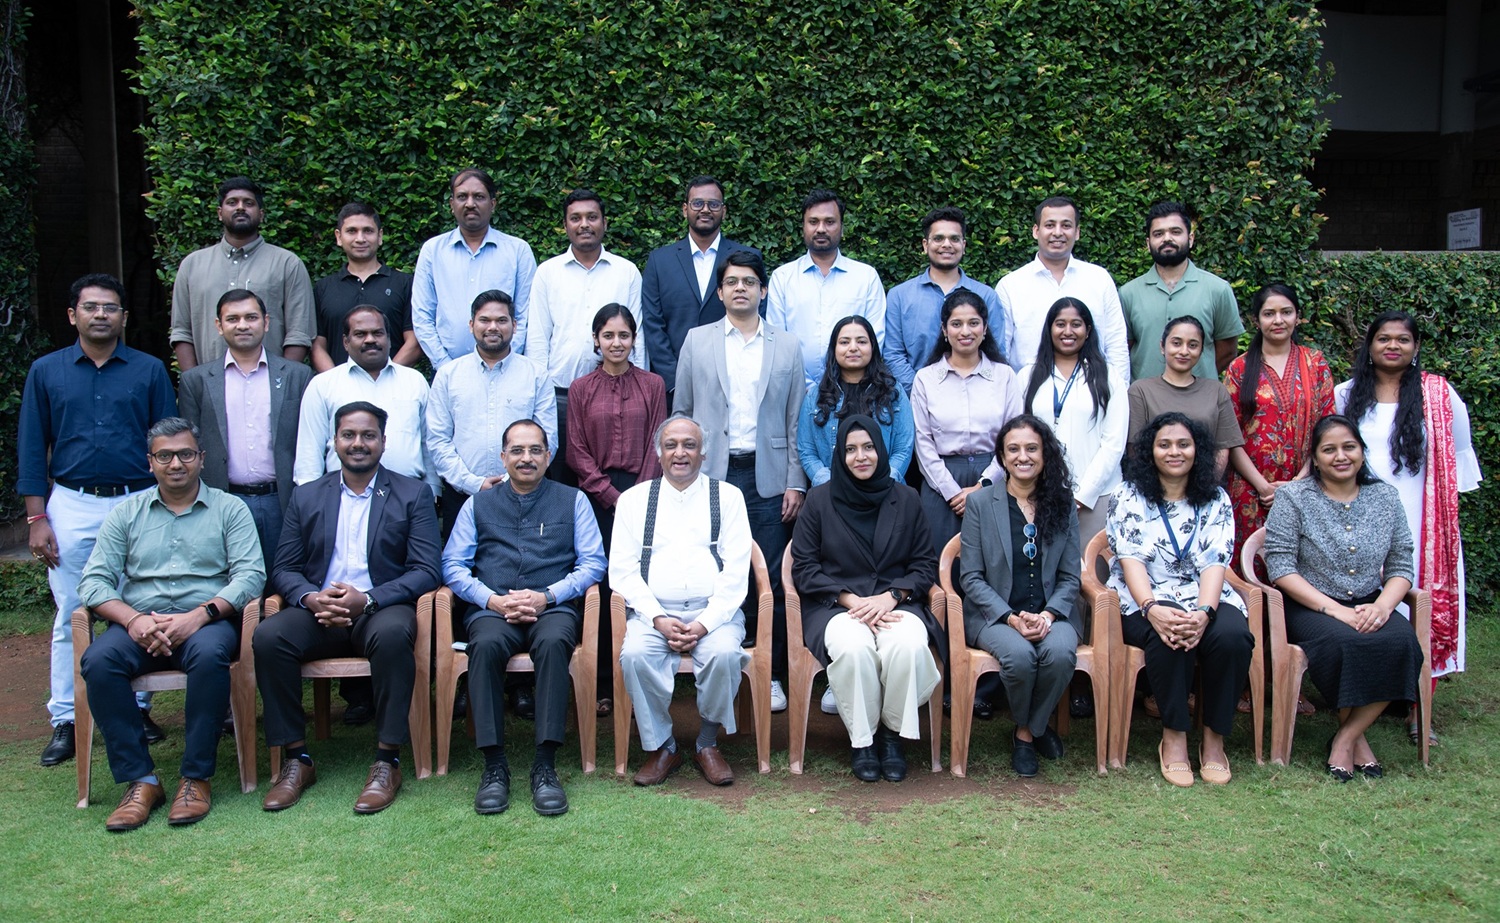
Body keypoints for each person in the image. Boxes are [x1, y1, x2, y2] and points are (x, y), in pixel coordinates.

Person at [19, 273, 177, 767]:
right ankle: (67, 718)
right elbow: (30, 445)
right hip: (72, 502)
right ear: (73, 315)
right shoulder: (47, 372)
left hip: (139, 500)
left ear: (124, 317)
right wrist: (36, 517)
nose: (101, 315)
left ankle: (136, 707)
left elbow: (169, 442)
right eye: (91, 307)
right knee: (73, 610)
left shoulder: (149, 371)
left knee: (141, 602)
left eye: (111, 308)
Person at [76, 418, 265, 830]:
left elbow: (251, 576)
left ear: (201, 459)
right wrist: (134, 620)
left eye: (185, 454)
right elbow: (93, 581)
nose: (175, 463)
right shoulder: (126, 513)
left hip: (207, 622)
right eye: (165, 455)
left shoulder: (230, 509)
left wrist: (198, 616)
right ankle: (140, 780)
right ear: (150, 463)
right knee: (99, 662)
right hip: (139, 624)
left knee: (211, 655)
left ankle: (195, 778)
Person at [257, 402, 441, 815]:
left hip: (380, 606)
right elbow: (283, 567)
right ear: (334, 441)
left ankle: (387, 759)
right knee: (269, 636)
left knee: (395, 634)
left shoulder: (412, 493)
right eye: (349, 435)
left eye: (368, 435)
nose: (358, 443)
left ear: (383, 442)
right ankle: (296, 759)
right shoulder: (307, 496)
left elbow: (427, 570)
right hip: (318, 611)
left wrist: (369, 599)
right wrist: (311, 598)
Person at [442, 419, 606, 815]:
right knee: (483, 645)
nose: (526, 458)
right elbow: (453, 566)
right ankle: (494, 765)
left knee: (552, 644)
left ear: (548, 456)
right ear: (502, 457)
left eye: (535, 450)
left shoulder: (573, 500)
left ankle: (545, 765)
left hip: (551, 607)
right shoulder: (476, 504)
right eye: (517, 450)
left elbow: (593, 564)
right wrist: (491, 600)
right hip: (493, 608)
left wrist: (546, 596)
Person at [675, 250, 807, 713]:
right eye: (731, 282)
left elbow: (796, 420)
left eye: (749, 282)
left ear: (763, 290)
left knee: (766, 574)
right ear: (720, 291)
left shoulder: (788, 346)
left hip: (768, 477)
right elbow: (683, 413)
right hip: (712, 474)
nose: (740, 289)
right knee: (717, 572)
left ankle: (767, 673)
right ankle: (719, 667)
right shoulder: (697, 341)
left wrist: (796, 481)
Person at [1262, 415, 1422, 781]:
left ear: (1362, 453)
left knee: (1402, 643)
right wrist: (1336, 611)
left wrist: (1383, 606)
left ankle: (1348, 735)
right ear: (1315, 459)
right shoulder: (1293, 497)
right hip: (1310, 605)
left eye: (1349, 447)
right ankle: (1355, 740)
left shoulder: (1385, 497)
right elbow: (1281, 566)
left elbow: (1401, 563)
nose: (1340, 456)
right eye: (1328, 449)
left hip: (1370, 601)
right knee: (1343, 642)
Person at [1335, 311, 1481, 692]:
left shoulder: (1440, 394)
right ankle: (1372, 685)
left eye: (1402, 339)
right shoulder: (1345, 394)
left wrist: (1442, 518)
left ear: (1415, 348)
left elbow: (1459, 455)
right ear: (1369, 346)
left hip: (1422, 516)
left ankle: (1419, 699)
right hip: (1360, 512)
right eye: (1384, 338)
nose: (1393, 346)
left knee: (1418, 593)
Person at [1106, 412, 1254, 787]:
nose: (1175, 452)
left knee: (1233, 636)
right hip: (1142, 596)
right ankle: (1173, 737)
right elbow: (1131, 560)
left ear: (1197, 450)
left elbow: (1214, 562)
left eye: (1183, 444)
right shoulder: (1128, 495)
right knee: (1169, 632)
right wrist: (1152, 609)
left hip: (1203, 594)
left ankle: (1214, 739)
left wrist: (1205, 612)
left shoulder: (1216, 499)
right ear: (1150, 452)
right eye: (1164, 444)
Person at [790, 416, 941, 782]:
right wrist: (849, 599)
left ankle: (890, 734)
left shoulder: (906, 498)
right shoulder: (819, 500)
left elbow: (925, 564)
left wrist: (892, 596)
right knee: (854, 648)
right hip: (836, 608)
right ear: (839, 455)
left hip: (896, 605)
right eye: (851, 449)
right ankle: (863, 741)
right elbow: (804, 568)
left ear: (881, 450)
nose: (861, 457)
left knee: (908, 645)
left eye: (869, 447)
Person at [613, 415, 754, 787]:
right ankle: (664, 746)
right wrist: (659, 618)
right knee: (636, 655)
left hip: (715, 613)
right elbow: (623, 572)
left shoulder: (728, 497)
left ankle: (707, 743)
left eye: (689, 445)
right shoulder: (632, 501)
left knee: (724, 654)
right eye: (671, 445)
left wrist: (705, 623)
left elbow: (737, 571)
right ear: (658, 453)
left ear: (703, 453)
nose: (680, 453)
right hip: (651, 613)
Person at [959, 415, 1081, 777]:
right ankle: (1037, 729)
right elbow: (971, 577)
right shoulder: (981, 504)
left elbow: (1070, 575)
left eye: (1032, 448)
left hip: (1052, 613)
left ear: (1045, 454)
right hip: (994, 615)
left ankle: (1028, 731)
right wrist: (1011, 617)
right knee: (1020, 657)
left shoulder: (1062, 502)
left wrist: (1048, 616)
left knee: (1059, 653)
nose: (1022, 456)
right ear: (1001, 455)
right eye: (1013, 449)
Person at [567, 304, 668, 714]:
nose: (616, 343)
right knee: (605, 585)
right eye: (608, 335)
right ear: (596, 339)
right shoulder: (580, 388)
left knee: (643, 581)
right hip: (595, 498)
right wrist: (609, 495)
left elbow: (658, 443)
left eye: (624, 335)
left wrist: (637, 497)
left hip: (645, 495)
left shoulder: (654, 384)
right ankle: (605, 682)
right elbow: (575, 451)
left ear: (633, 339)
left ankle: (649, 672)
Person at [178, 289, 313, 572]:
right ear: (219, 326)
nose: (242, 325)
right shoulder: (197, 381)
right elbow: (188, 447)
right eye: (233, 318)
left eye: (251, 317)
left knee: (284, 578)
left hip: (282, 499)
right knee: (228, 579)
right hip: (222, 499)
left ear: (265, 322)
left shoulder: (297, 376)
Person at [525, 188, 643, 483]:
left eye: (592, 217)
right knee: (563, 479)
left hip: (619, 393)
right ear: (565, 225)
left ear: (604, 222)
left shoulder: (626, 272)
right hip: (561, 396)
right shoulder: (548, 273)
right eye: (575, 218)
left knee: (615, 477)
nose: (584, 224)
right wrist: (540, 397)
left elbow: (637, 336)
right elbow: (538, 339)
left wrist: (640, 390)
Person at [427, 290, 556, 537]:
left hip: (526, 494)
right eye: (485, 320)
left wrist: (513, 482)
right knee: (462, 567)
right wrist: (472, 483)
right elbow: (437, 440)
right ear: (471, 324)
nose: (493, 327)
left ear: (515, 325)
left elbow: (547, 438)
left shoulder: (536, 375)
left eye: (501, 320)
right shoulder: (448, 375)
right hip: (462, 494)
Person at [1224, 282, 1335, 560]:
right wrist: (1262, 486)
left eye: (1286, 312)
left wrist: (1299, 483)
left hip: (1308, 487)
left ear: (1298, 317)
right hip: (1252, 492)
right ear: (1256, 320)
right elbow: (1230, 435)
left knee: (1305, 566)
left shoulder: (1315, 363)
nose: (1278, 320)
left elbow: (1328, 430)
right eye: (1269, 313)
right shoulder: (1239, 368)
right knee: (1252, 570)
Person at [910, 288, 1023, 556]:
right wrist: (952, 491)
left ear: (985, 329)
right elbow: (923, 443)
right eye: (956, 324)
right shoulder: (926, 379)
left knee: (996, 561)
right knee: (940, 563)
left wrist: (984, 485)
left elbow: (1015, 438)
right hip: (941, 484)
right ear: (944, 330)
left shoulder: (1004, 376)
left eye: (974, 323)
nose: (965, 331)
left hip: (996, 477)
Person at [169, 177, 315, 370]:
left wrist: (281, 383)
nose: (240, 208)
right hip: (208, 388)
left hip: (271, 387)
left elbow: (299, 333)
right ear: (220, 213)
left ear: (261, 214)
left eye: (248, 203)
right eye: (232, 202)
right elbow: (181, 332)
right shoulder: (192, 265)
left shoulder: (287, 264)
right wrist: (196, 383)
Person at [295, 305, 440, 497]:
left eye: (377, 333)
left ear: (388, 339)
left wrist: (433, 492)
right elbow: (309, 450)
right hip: (343, 497)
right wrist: (310, 499)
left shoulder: (414, 381)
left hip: (409, 497)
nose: (370, 339)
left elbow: (428, 444)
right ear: (346, 342)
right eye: (360, 334)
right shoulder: (323, 385)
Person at [1018, 297, 1128, 547]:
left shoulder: (1108, 376)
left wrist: (1082, 495)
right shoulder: (1028, 375)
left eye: (1076, 324)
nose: (1068, 331)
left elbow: (1114, 443)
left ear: (1088, 331)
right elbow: (1019, 438)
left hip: (1098, 496)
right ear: (1049, 329)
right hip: (1040, 493)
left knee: (1093, 576)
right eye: (1060, 324)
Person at [640, 175, 761, 396]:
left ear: (723, 211)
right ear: (685, 209)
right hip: (673, 388)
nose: (705, 209)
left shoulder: (747, 258)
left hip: (734, 383)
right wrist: (675, 381)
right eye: (698, 203)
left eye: (713, 204)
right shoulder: (660, 261)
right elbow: (652, 324)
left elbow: (756, 316)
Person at [412, 167, 537, 369]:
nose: (470, 203)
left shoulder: (517, 251)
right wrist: (444, 366)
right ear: (452, 204)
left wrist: (504, 360)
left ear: (492, 204)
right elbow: (422, 316)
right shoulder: (433, 251)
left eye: (479, 196)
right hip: (447, 371)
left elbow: (525, 315)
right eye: (462, 197)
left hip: (506, 369)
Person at [995, 196, 1129, 382]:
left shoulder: (1099, 279)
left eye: (1066, 225)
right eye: (1050, 225)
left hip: (1092, 393)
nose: (1057, 232)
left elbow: (1116, 344)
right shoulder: (1011, 285)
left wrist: (1118, 393)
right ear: (1036, 231)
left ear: (1077, 232)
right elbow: (1001, 351)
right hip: (1028, 394)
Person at [767, 188, 886, 387]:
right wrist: (808, 389)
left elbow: (875, 337)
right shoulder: (783, 277)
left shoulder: (865, 277)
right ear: (803, 227)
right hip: (795, 392)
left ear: (841, 227)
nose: (821, 229)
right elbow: (777, 340)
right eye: (813, 222)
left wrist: (844, 384)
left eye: (829, 222)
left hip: (853, 390)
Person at [885, 206, 1011, 392]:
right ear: (925, 245)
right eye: (938, 238)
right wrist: (922, 391)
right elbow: (893, 355)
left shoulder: (986, 296)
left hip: (976, 399)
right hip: (915, 400)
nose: (946, 244)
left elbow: (995, 353)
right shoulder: (900, 296)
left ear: (964, 245)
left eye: (954, 239)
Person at [1118, 201, 1243, 381]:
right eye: (1158, 234)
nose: (1167, 238)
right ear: (1148, 243)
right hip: (1145, 402)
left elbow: (1228, 349)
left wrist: (1196, 379)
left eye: (1175, 232)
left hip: (1199, 402)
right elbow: (1122, 350)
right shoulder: (1128, 294)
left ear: (1190, 239)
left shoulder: (1218, 289)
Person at [797, 315, 914, 487]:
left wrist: (882, 483)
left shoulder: (892, 392)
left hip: (885, 492)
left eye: (861, 342)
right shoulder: (816, 395)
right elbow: (807, 450)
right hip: (831, 495)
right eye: (844, 342)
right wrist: (830, 486)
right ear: (834, 349)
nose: (853, 348)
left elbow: (903, 448)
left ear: (873, 347)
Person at [1126, 315, 1242, 477]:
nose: (1184, 351)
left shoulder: (1216, 391)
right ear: (1162, 346)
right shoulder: (1140, 391)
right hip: (1152, 490)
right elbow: (1135, 448)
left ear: (1201, 350)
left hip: (1203, 490)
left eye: (1193, 345)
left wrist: (1206, 487)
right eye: (1176, 343)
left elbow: (1223, 447)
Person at [311, 202, 421, 372]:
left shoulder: (405, 284)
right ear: (339, 237)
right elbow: (317, 346)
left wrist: (386, 378)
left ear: (380, 236)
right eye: (352, 231)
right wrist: (337, 383)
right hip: (339, 394)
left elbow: (414, 342)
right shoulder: (323, 288)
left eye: (368, 231)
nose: (360, 238)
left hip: (392, 390)